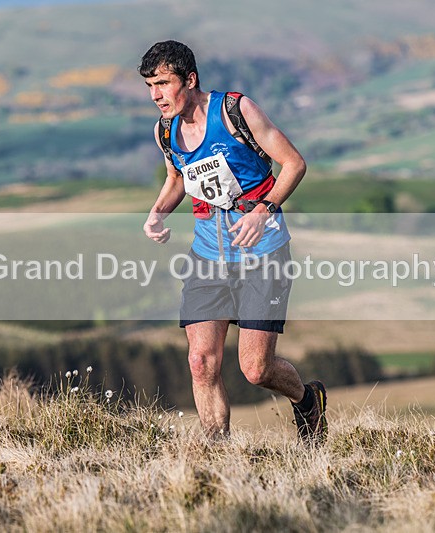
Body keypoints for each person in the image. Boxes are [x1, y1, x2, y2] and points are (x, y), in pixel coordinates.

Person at [139, 40, 326, 444]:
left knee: (256, 370)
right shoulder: (165, 131)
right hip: (207, 256)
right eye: (150, 85)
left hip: (263, 253)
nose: (156, 95)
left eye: (163, 83)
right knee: (200, 362)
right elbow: (177, 179)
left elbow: (294, 163)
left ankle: (307, 399)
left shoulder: (236, 110)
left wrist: (265, 209)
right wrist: (157, 213)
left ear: (190, 80)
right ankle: (218, 459)